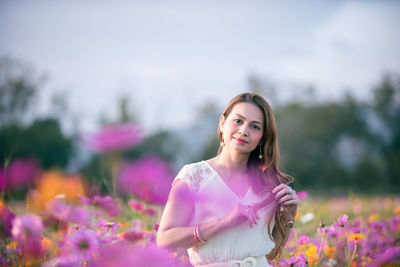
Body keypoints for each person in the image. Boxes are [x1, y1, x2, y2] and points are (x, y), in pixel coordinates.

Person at [157, 93, 299, 267]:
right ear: (222, 123)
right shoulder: (194, 177)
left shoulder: (268, 184)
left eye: (255, 127)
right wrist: (224, 223)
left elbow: (271, 253)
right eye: (238, 121)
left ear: (262, 137)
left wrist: (288, 216)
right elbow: (164, 240)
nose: (244, 131)